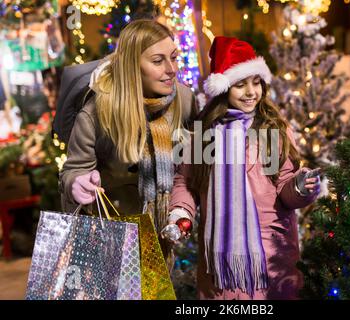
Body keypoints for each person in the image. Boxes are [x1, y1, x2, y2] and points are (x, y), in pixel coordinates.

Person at [166, 36, 321, 299]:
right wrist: (180, 213)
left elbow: (285, 184)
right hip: (221, 268)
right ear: (224, 88)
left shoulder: (274, 130)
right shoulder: (203, 134)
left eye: (256, 82)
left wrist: (299, 186)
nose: (251, 92)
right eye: (240, 85)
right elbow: (186, 182)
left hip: (272, 257)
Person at [58, 19, 197, 261]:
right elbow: (74, 170)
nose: (171, 69)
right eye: (157, 61)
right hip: (112, 235)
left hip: (162, 234)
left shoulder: (184, 101)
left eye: (173, 57)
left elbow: (191, 166)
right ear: (133, 66)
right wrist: (77, 183)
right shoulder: (98, 111)